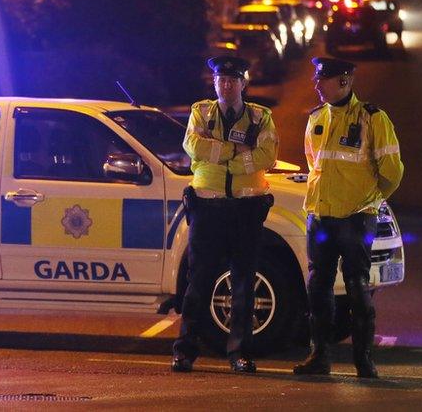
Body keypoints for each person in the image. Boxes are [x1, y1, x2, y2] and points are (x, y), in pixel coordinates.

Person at [293, 57, 404, 378]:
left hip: (356, 218)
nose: (315, 84)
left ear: (344, 81)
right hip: (321, 216)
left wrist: (370, 200)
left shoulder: (373, 119)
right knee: (319, 288)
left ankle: (364, 361)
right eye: (316, 78)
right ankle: (320, 357)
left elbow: (392, 172)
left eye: (322, 79)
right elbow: (315, 162)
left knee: (358, 287)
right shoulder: (316, 117)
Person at [172, 55, 279, 374]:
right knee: (198, 282)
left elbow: (268, 154)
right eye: (221, 80)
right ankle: (185, 351)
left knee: (244, 283)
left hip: (246, 210)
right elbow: (194, 146)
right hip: (208, 208)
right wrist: (237, 152)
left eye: (233, 80)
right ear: (214, 83)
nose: (227, 84)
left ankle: (240, 353)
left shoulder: (260, 117)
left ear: (244, 84)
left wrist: (225, 158)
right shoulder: (201, 112)